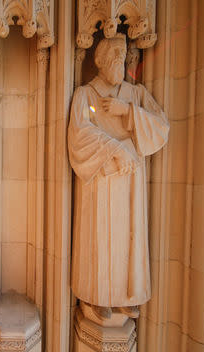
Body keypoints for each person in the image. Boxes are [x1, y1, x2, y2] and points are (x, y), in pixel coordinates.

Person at [68, 33, 169, 323]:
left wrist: (129, 111)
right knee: (100, 235)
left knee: (128, 236)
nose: (118, 61)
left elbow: (161, 126)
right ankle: (98, 295)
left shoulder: (136, 94)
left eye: (121, 56)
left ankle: (127, 296)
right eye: (112, 56)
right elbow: (79, 134)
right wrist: (114, 148)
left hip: (130, 181)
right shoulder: (86, 94)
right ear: (98, 61)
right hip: (101, 177)